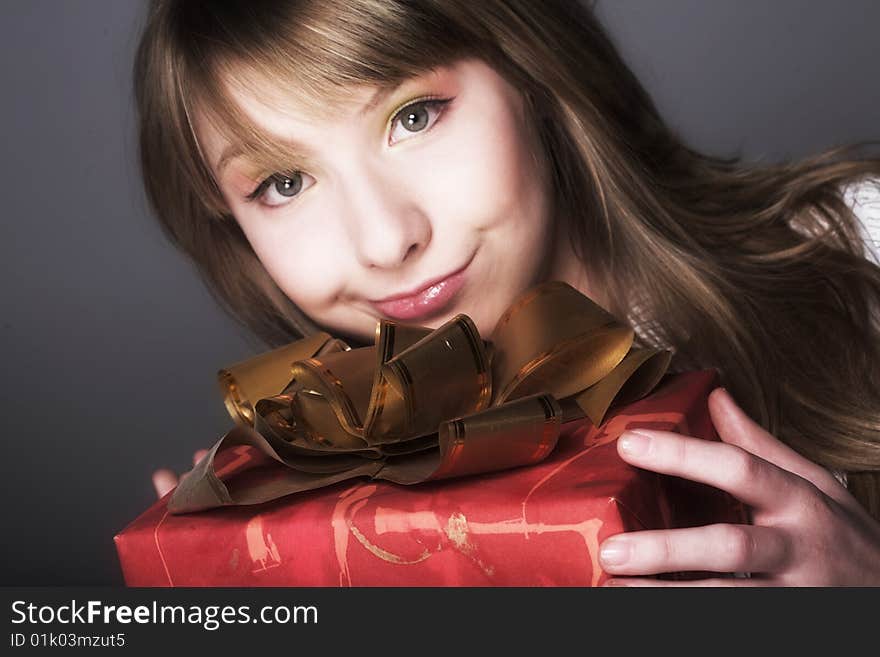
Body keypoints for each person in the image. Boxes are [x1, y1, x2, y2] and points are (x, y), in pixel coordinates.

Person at [134, 0, 880, 585]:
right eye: (283, 183)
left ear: (527, 67)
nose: (385, 241)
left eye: (414, 117)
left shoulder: (861, 242)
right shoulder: (344, 514)